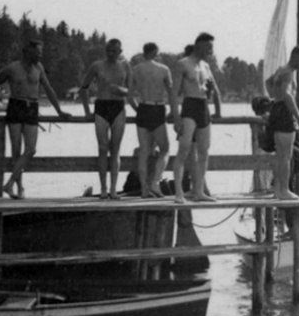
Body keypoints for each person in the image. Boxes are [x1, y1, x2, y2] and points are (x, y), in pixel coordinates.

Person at [0, 39, 71, 199]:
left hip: (32, 107)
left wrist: (59, 111)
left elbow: (49, 89)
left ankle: (9, 183)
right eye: (37, 52)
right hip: (16, 106)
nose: (40, 55)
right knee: (16, 150)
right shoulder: (12, 68)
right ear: (27, 52)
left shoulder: (38, 68)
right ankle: (18, 188)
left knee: (31, 149)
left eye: (41, 52)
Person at [172, 32, 221, 203]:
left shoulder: (205, 66)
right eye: (208, 47)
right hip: (189, 106)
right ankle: (179, 192)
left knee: (204, 151)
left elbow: (213, 90)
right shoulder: (183, 64)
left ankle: (198, 191)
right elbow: (173, 93)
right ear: (198, 45)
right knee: (184, 150)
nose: (211, 50)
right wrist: (176, 117)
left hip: (203, 108)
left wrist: (217, 107)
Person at [80, 39, 130, 200]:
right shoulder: (97, 65)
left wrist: (120, 89)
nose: (111, 53)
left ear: (120, 51)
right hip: (101, 106)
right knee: (102, 148)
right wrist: (87, 110)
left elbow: (130, 90)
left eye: (114, 51)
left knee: (115, 149)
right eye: (108, 50)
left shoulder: (125, 66)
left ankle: (113, 189)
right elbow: (83, 87)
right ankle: (103, 188)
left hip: (118, 108)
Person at [127, 42, 178, 198]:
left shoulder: (135, 70)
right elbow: (171, 94)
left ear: (143, 53)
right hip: (157, 108)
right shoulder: (163, 69)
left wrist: (138, 110)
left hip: (143, 108)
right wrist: (173, 112)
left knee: (144, 151)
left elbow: (129, 97)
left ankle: (144, 188)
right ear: (156, 53)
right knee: (165, 149)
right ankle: (155, 182)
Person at [265, 46, 299, 200]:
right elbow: (287, 94)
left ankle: (278, 189)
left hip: (276, 110)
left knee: (280, 155)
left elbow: (268, 82)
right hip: (284, 112)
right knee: (286, 155)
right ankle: (284, 190)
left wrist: (273, 97)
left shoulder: (281, 69)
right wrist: (298, 117)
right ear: (295, 57)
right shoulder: (289, 73)